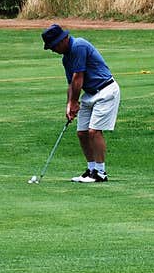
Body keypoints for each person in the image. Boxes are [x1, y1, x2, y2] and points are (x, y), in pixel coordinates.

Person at [42, 24, 121, 183]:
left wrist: (74, 102)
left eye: (54, 45)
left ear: (64, 39)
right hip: (90, 94)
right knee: (82, 133)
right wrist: (69, 106)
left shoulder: (79, 46)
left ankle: (100, 173)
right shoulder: (66, 59)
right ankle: (91, 169)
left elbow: (79, 78)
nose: (53, 50)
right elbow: (71, 83)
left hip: (105, 91)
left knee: (94, 131)